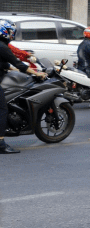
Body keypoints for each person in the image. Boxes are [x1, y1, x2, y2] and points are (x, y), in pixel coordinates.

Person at [0, 20, 47, 154]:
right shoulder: (3, 46)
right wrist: (36, 73)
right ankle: (1, 144)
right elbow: (18, 63)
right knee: (2, 109)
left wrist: (13, 68)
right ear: (6, 32)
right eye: (10, 32)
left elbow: (4, 63)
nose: (12, 34)